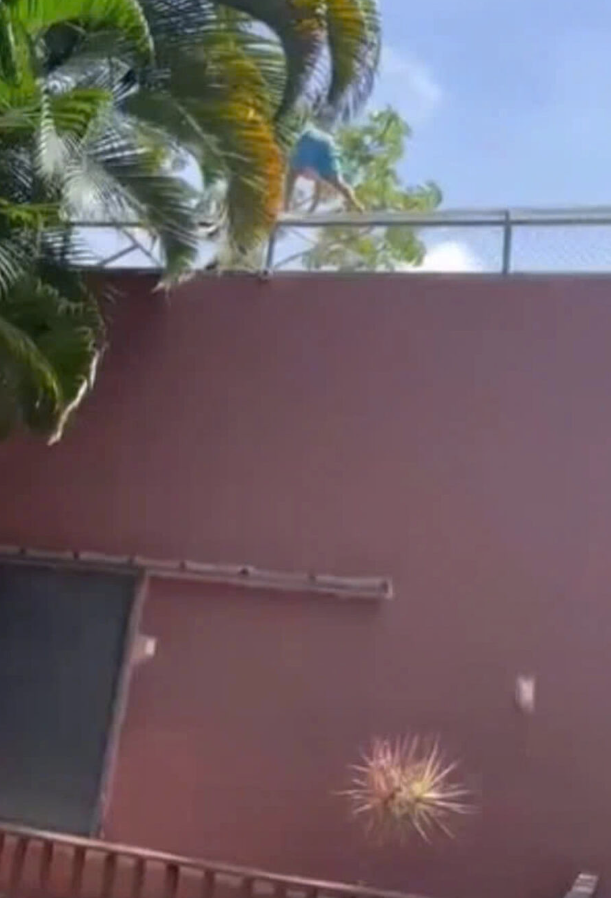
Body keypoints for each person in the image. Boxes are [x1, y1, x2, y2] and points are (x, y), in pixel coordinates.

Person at [285, 124, 364, 213]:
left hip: (310, 139)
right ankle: (357, 204)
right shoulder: (320, 172)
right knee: (339, 183)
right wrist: (311, 210)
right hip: (327, 142)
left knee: (291, 176)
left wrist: (311, 210)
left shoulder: (306, 167)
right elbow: (317, 191)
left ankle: (286, 206)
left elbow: (317, 192)